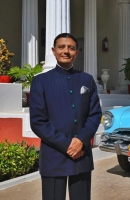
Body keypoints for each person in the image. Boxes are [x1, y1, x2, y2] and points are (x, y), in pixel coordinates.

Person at [30, 33, 102, 200]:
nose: (66, 51)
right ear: (53, 51)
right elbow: (38, 121)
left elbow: (95, 114)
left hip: (81, 155)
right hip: (54, 155)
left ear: (77, 52)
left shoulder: (87, 80)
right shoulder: (41, 81)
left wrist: (80, 141)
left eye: (71, 48)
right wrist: (67, 144)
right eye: (61, 47)